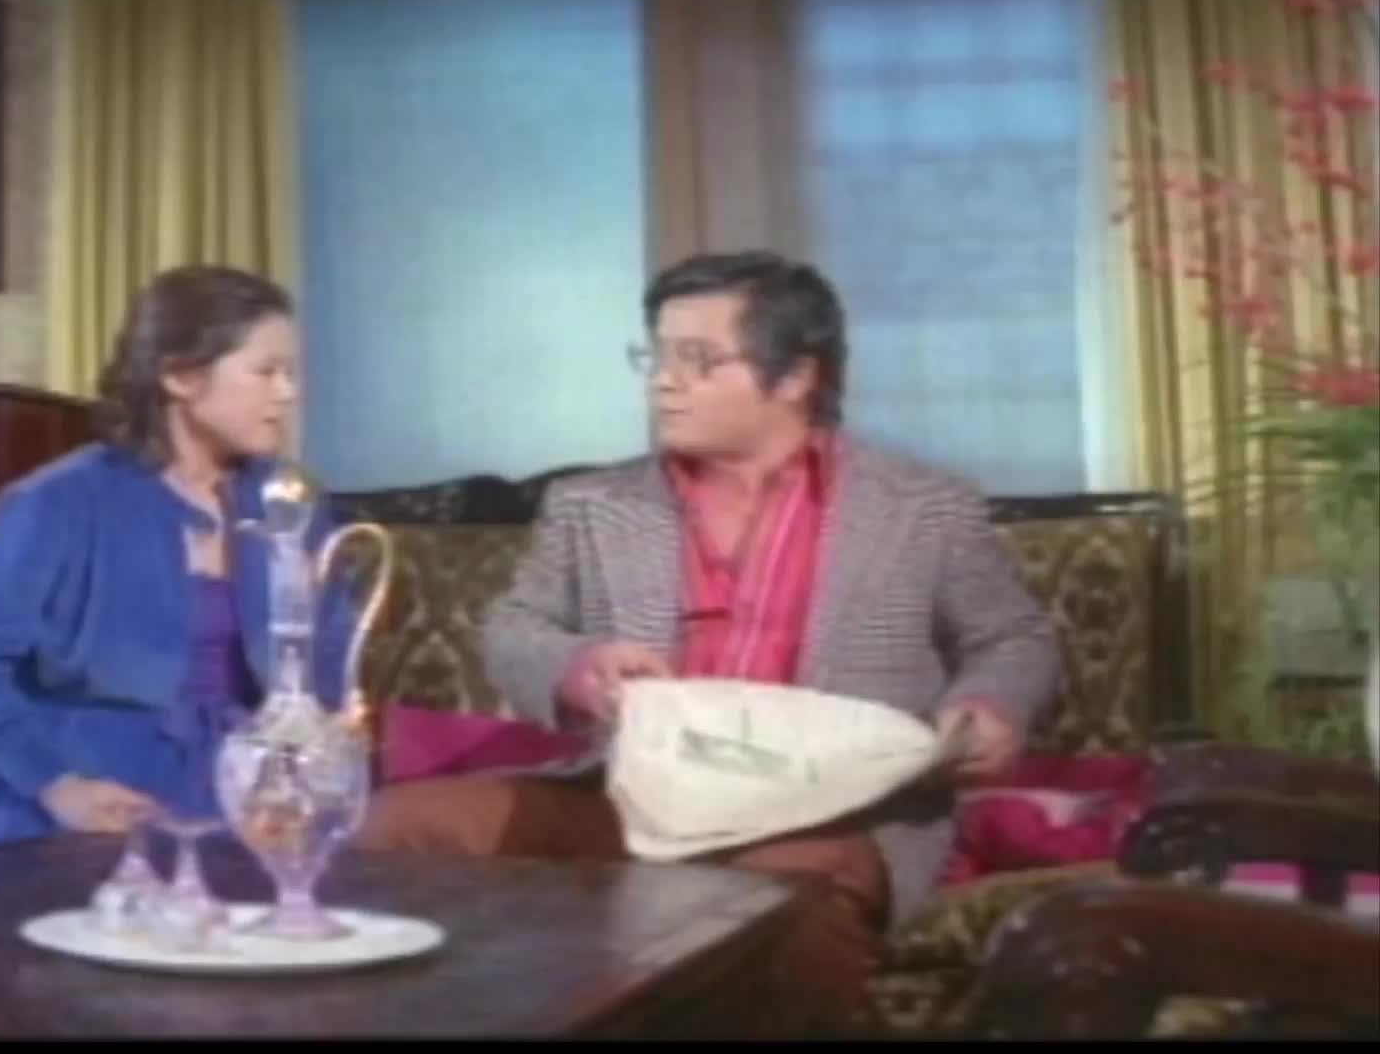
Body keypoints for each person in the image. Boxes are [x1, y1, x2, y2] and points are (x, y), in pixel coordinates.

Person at [355, 251, 1061, 1035]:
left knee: (770, 908)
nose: (663, 381)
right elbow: (515, 628)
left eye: (697, 360)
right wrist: (582, 668)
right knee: (398, 826)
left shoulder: (923, 507)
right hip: (633, 799)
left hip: (825, 815)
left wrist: (990, 704)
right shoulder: (592, 504)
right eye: (655, 356)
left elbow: (1012, 636)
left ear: (795, 377)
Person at [0, 265, 351, 847]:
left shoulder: (292, 500)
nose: (287, 393)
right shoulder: (56, 503)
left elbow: (329, 659)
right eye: (266, 371)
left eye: (291, 373)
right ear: (180, 376)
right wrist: (56, 785)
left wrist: (305, 768)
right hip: (87, 783)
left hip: (247, 788)